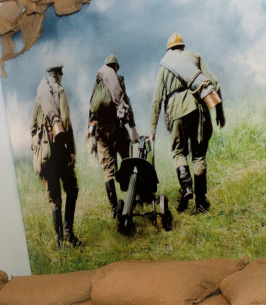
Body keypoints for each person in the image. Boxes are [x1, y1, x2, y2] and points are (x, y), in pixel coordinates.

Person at [148, 33, 225, 213]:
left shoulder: (164, 66)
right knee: (199, 156)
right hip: (198, 108)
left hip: (175, 112)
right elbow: (215, 83)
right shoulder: (194, 56)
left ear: (169, 50)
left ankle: (186, 186)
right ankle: (201, 202)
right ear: (182, 47)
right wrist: (219, 113)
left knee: (179, 152)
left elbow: (156, 100)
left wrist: (152, 129)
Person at [31, 64, 80, 247]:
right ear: (59, 75)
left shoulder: (40, 94)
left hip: (45, 153)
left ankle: (59, 242)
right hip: (59, 150)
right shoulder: (59, 90)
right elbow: (65, 121)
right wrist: (72, 150)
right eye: (61, 75)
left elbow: (32, 127)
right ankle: (68, 233)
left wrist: (39, 146)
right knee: (72, 189)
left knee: (54, 197)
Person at [88, 54, 139, 221]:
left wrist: (91, 134)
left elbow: (91, 110)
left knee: (109, 171)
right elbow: (127, 106)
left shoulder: (98, 82)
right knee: (128, 159)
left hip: (101, 132)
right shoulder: (118, 81)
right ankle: (133, 195)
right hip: (116, 130)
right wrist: (133, 129)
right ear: (116, 67)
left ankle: (115, 210)